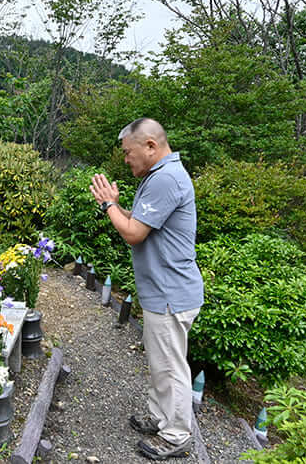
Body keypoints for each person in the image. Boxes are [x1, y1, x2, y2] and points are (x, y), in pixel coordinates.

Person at [89, 118, 204, 460]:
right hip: (164, 292)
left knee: (170, 368)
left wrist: (110, 205)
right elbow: (139, 223)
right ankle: (159, 417)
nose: (126, 160)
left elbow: (133, 234)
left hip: (170, 293)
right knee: (160, 364)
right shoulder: (160, 176)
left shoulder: (165, 178)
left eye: (128, 152)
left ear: (151, 146)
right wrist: (113, 205)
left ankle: (178, 434)